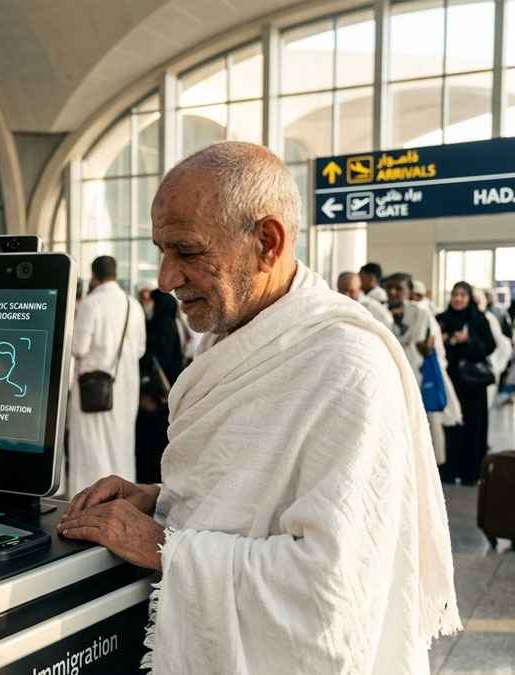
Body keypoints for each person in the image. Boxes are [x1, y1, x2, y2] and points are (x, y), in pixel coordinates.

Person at [59, 142, 459, 674]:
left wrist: (162, 546)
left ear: (266, 242)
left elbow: (330, 593)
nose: (165, 278)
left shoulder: (347, 365)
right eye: (161, 250)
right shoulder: (237, 334)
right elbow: (248, 495)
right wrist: (158, 500)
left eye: (187, 251)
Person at [67, 257, 145, 494]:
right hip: (126, 387)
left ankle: (89, 500)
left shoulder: (92, 303)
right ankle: (121, 497)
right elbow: (140, 349)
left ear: (94, 276)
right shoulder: (134, 305)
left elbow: (79, 348)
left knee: (91, 446)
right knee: (120, 443)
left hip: (93, 388)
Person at [384, 273, 461, 467]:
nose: (393, 292)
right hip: (391, 379)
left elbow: (413, 344)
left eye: (398, 288)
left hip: (418, 376)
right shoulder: (381, 311)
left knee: (425, 424)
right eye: (389, 288)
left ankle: (432, 467)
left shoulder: (420, 313)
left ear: (409, 291)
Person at [438, 281, 497, 485]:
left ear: (469, 298)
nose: (458, 299)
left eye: (463, 295)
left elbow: (489, 346)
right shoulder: (442, 319)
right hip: (450, 382)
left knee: (473, 427)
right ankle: (449, 470)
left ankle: (470, 473)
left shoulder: (478, 319)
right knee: (451, 425)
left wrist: (468, 340)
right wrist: (445, 340)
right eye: (455, 294)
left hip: (473, 384)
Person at [135, 284, 182, 484]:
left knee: (150, 444)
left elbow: (158, 360)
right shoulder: (169, 323)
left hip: (155, 398)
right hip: (164, 397)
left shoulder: (163, 326)